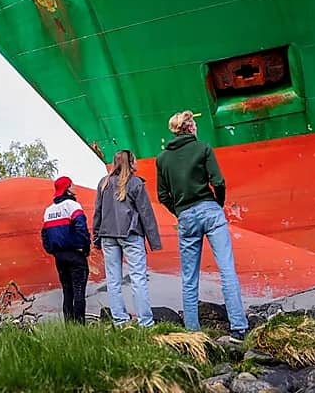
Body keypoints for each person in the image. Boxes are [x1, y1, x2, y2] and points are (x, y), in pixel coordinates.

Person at [156, 110, 249, 339]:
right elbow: (218, 181)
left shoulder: (162, 159)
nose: (196, 128)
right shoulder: (203, 148)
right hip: (210, 211)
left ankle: (192, 330)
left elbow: (163, 195)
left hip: (186, 216)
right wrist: (217, 204)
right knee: (227, 270)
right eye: (195, 125)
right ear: (189, 128)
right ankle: (238, 327)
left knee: (189, 277)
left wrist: (179, 211)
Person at [93, 150, 162, 327]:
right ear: (130, 163)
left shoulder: (103, 183)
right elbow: (146, 213)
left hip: (107, 235)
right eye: (135, 160)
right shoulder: (135, 183)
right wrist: (154, 242)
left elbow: (98, 212)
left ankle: (120, 320)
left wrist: (96, 238)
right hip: (130, 234)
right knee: (138, 278)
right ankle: (145, 322)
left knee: (113, 280)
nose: (137, 163)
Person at [41, 176, 91, 324]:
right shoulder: (72, 206)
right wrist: (85, 247)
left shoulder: (48, 210)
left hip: (59, 257)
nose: (74, 187)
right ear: (67, 189)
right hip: (76, 254)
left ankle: (69, 326)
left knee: (67, 292)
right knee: (79, 292)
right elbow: (81, 227)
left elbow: (44, 234)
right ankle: (80, 327)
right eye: (72, 185)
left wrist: (52, 250)